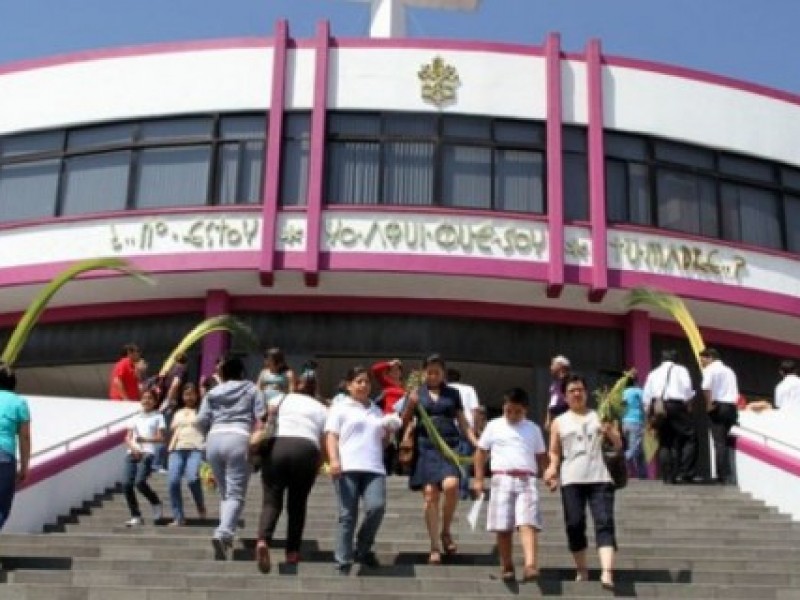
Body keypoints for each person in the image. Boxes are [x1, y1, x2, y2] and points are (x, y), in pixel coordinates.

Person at [543, 374, 622, 592]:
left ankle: (607, 571)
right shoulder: (559, 422)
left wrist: (612, 434)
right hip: (572, 478)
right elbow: (554, 451)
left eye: (580, 389)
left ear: (586, 393)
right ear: (565, 396)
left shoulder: (601, 415)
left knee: (604, 521)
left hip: (601, 477)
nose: (576, 393)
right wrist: (552, 468)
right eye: (572, 391)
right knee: (574, 524)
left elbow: (617, 445)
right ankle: (582, 568)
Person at [401, 354, 479, 565]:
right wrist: (411, 404)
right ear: (423, 372)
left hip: (449, 445)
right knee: (429, 494)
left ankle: (446, 531)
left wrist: (475, 442)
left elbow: (462, 422)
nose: (433, 375)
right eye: (429, 371)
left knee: (452, 485)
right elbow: (403, 421)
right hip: (425, 445)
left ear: (443, 373)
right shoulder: (416, 392)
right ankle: (434, 545)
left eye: (437, 371)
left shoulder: (452, 394)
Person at [325, 365, 398, 574]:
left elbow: (382, 442)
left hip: (374, 467)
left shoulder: (376, 410)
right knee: (347, 515)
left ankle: (363, 547)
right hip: (347, 467)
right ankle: (343, 561)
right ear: (349, 385)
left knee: (376, 508)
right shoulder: (340, 408)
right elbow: (331, 435)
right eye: (358, 381)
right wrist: (334, 460)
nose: (363, 385)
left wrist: (389, 432)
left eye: (366, 381)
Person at [255, 367, 328, 572]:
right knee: (297, 504)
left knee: (271, 501)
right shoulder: (321, 408)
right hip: (306, 449)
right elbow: (325, 441)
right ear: (315, 389)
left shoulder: (279, 400)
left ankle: (263, 539)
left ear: (295, 386)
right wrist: (319, 464)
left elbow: (263, 424)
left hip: (278, 447)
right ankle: (292, 552)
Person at [472, 387, 547, 583]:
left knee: (527, 522)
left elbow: (541, 456)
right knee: (503, 526)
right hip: (501, 479)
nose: (513, 415)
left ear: (526, 410)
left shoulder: (533, 428)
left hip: (526, 479)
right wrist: (479, 479)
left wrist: (548, 473)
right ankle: (506, 564)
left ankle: (530, 564)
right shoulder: (494, 426)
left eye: (517, 411)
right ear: (504, 407)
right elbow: (480, 453)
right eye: (508, 411)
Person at [197, 355, 265, 559]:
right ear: (243, 372)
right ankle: (223, 532)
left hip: (214, 439)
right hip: (239, 437)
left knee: (226, 493)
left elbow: (200, 419)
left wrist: (206, 434)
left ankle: (227, 532)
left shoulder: (213, 392)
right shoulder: (252, 389)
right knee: (235, 493)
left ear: (223, 374)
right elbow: (261, 417)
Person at [643, 350, 697, 484]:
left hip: (659, 407)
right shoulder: (681, 370)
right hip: (676, 405)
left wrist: (649, 415)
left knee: (665, 441)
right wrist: (689, 404)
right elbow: (688, 388)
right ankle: (686, 472)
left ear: (662, 359)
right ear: (675, 359)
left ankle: (667, 476)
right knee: (690, 436)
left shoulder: (653, 373)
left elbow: (646, 396)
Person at [123, 388, 165, 526]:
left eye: (150, 398)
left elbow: (160, 438)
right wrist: (133, 448)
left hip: (148, 453)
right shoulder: (135, 417)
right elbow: (127, 438)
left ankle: (156, 503)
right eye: (144, 398)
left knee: (139, 482)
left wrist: (145, 440)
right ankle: (136, 516)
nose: (146, 400)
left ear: (155, 401)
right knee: (126, 484)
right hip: (132, 453)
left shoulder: (158, 416)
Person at [166, 383, 206, 526]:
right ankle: (178, 517)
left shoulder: (202, 411)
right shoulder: (178, 412)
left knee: (192, 478)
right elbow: (172, 428)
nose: (189, 397)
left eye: (192, 394)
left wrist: (203, 392)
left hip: (195, 448)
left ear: (197, 396)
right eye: (186, 394)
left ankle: (200, 504)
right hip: (177, 449)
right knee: (173, 481)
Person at [699, 348, 739, 484]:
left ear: (709, 357)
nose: (701, 363)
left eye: (702, 359)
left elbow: (705, 387)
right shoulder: (729, 371)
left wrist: (709, 404)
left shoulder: (710, 370)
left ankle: (722, 475)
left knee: (719, 442)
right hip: (731, 407)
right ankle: (731, 473)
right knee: (729, 442)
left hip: (719, 406)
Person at [0, 362, 31, 531]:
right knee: (2, 506)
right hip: (4, 457)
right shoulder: (19, 403)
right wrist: (25, 467)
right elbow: (25, 437)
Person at [446, 368, 481, 499]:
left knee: (448, 459)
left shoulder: (444, 389)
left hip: (447, 427)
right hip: (465, 428)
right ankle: (463, 491)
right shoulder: (469, 389)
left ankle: (448, 488)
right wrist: (476, 429)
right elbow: (475, 410)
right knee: (464, 460)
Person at [622, 372, 647, 479]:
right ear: (636, 381)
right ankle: (621, 460)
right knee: (635, 448)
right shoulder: (638, 391)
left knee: (639, 449)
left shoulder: (624, 392)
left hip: (625, 422)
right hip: (636, 421)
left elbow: (622, 405)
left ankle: (642, 474)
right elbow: (645, 404)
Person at [544, 355, 571, 432]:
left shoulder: (570, 381)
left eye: (553, 364)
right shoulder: (554, 384)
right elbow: (551, 402)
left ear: (560, 366)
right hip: (555, 419)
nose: (550, 367)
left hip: (566, 417)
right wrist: (548, 419)